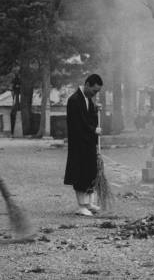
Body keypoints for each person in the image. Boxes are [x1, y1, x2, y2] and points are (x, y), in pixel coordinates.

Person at [64, 74, 103, 216]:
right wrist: (93, 130)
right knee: (80, 174)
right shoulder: (74, 100)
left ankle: (88, 203)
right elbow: (78, 124)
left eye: (97, 92)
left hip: (88, 143)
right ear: (87, 85)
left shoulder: (87, 99)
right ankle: (81, 206)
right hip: (79, 143)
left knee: (90, 171)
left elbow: (89, 118)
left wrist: (95, 110)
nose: (95, 94)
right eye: (94, 91)